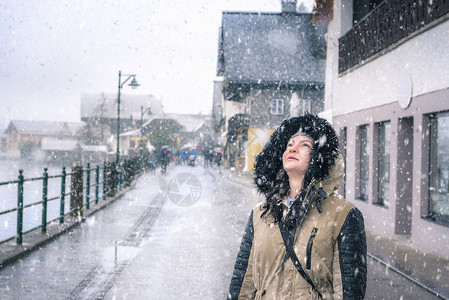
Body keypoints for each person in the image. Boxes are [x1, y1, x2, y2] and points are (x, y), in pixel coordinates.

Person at [228, 113, 367, 300]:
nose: (293, 149)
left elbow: (348, 291)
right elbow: (243, 283)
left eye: (305, 145)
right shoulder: (260, 214)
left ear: (318, 157)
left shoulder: (343, 215)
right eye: (289, 145)